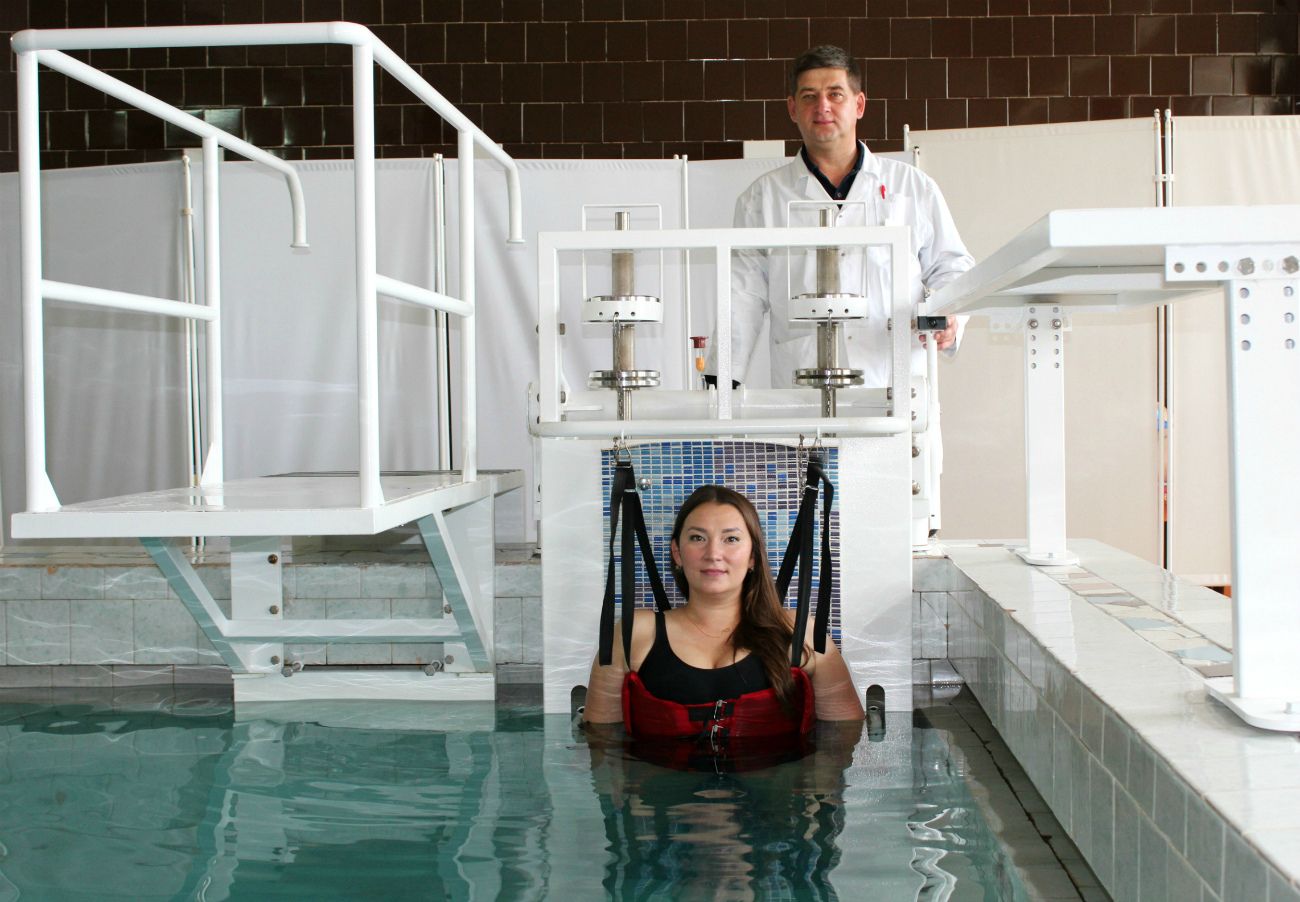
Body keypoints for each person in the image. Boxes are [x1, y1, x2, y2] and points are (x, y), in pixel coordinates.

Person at [708, 44, 974, 390]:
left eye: (835, 94)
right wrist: (720, 381)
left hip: (892, 383)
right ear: (792, 109)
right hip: (803, 387)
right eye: (809, 96)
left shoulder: (912, 187)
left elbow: (952, 266)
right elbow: (743, 295)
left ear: (859, 105)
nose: (823, 107)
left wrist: (948, 315)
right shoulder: (762, 199)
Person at [582, 484, 864, 750]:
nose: (713, 554)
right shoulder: (632, 634)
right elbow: (602, 747)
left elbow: (842, 744)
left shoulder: (801, 634)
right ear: (677, 553)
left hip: (781, 786)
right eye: (698, 538)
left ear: (753, 556)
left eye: (731, 539)